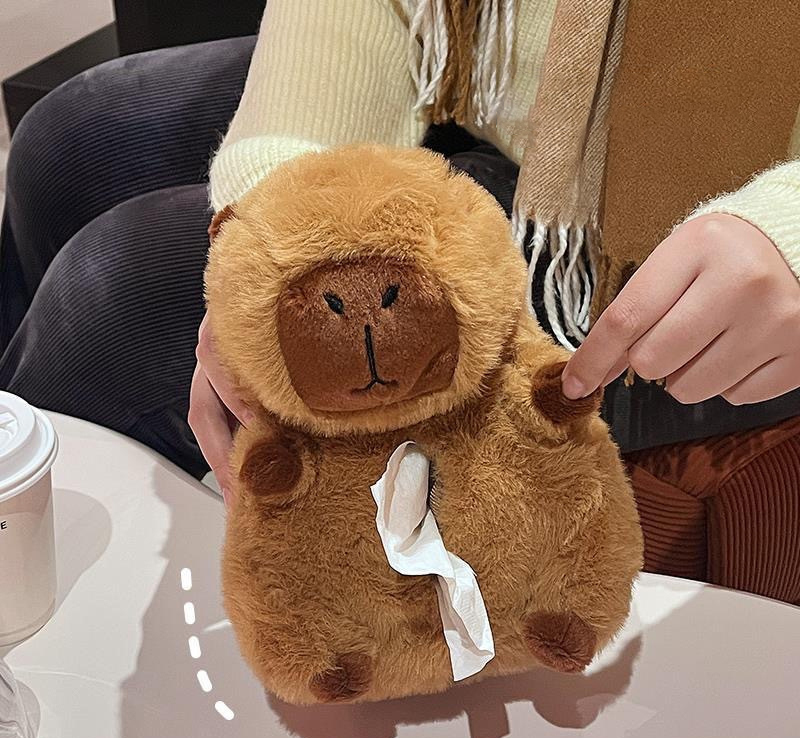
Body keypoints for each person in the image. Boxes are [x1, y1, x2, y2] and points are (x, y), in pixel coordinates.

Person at [2, 0, 799, 599]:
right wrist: (272, 229)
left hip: (695, 226)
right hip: (482, 70)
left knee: (120, 293)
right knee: (71, 142)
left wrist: (788, 232)